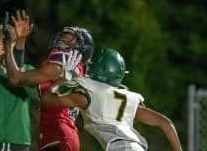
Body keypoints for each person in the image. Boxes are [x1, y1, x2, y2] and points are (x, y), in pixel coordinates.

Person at [41, 48, 183, 151]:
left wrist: (62, 80)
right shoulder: (126, 100)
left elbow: (46, 100)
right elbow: (165, 122)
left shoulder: (85, 97)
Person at [2, 18, 95, 151]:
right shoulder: (73, 69)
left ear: (81, 50)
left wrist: (7, 44)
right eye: (64, 37)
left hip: (59, 133)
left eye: (70, 41)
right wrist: (21, 42)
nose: (62, 41)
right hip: (60, 133)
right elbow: (21, 74)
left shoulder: (58, 67)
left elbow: (16, 78)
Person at [0, 10, 37, 151]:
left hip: (19, 139)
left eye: (8, 43)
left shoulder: (27, 70)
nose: (4, 47)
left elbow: (34, 95)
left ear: (15, 45)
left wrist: (19, 69)